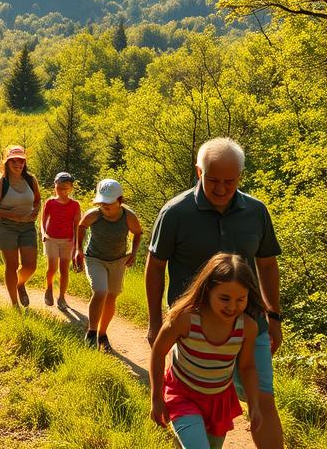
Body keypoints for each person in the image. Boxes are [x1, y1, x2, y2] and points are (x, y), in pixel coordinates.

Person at [145, 137, 284, 449]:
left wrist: (273, 316)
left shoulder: (256, 212)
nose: (222, 189)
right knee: (193, 392)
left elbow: (267, 264)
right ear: (199, 172)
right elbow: (155, 268)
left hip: (250, 324)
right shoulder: (175, 213)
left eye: (230, 181)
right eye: (214, 180)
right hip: (192, 329)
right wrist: (155, 322)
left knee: (263, 398)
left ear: (240, 177)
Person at [150, 253, 263, 449]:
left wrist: (254, 404)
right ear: (208, 289)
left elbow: (246, 367)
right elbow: (159, 352)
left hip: (218, 402)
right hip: (182, 394)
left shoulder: (247, 327)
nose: (232, 307)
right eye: (224, 298)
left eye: (240, 299)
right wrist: (156, 397)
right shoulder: (185, 319)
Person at [74, 178, 142, 350]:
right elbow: (81, 227)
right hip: (95, 258)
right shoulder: (93, 215)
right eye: (102, 203)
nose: (105, 207)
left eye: (109, 204)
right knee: (100, 291)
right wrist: (78, 250)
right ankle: (91, 332)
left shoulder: (129, 217)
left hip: (117, 260)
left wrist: (133, 252)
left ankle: (102, 334)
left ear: (120, 201)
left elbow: (138, 233)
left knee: (111, 296)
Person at [0, 145, 41, 308]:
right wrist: (12, 215)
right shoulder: (1, 183)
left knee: (30, 266)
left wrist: (35, 212)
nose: (18, 165)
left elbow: (38, 200)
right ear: (7, 162)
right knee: (11, 265)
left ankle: (19, 283)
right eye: (14, 161)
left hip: (28, 226)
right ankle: (14, 303)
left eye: (21, 161)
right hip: (6, 227)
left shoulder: (31, 180)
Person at [40, 171, 81, 309]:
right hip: (51, 239)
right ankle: (49, 289)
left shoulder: (75, 205)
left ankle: (62, 297)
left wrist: (76, 245)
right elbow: (43, 219)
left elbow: (77, 225)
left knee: (64, 270)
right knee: (52, 268)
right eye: (60, 187)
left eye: (66, 187)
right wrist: (43, 233)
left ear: (71, 188)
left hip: (68, 241)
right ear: (55, 185)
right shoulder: (50, 202)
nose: (63, 190)